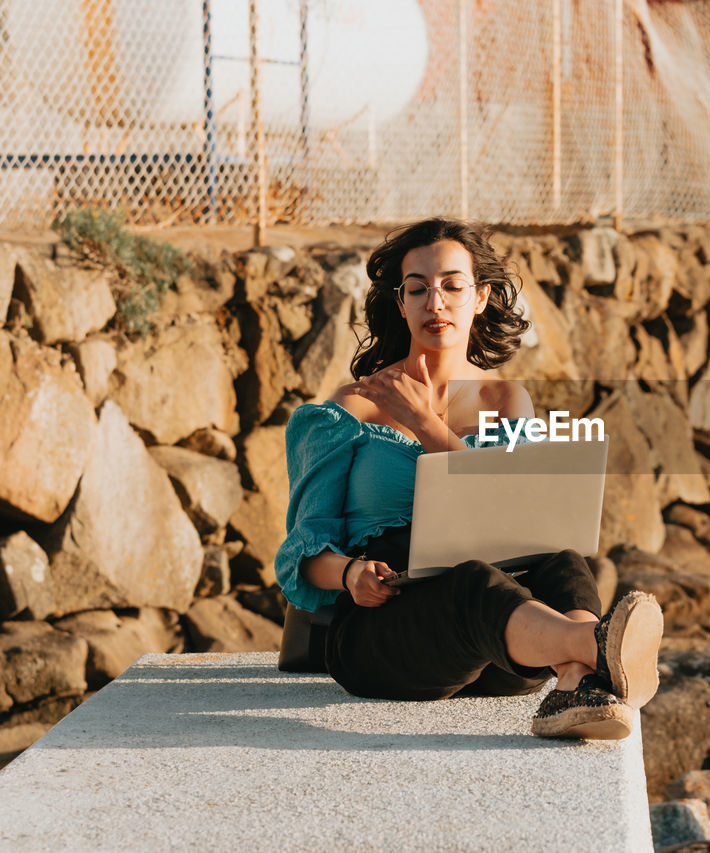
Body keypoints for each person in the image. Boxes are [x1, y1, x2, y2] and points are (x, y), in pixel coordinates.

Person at [274, 218, 663, 739]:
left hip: (499, 650)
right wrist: (349, 575)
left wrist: (426, 426)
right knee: (472, 581)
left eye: (453, 285)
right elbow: (301, 552)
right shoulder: (352, 408)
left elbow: (511, 517)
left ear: (479, 298)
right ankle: (599, 647)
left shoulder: (506, 403)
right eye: (419, 289)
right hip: (386, 633)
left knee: (559, 553)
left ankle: (574, 680)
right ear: (402, 303)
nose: (436, 301)